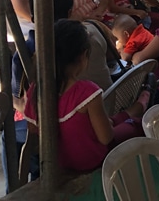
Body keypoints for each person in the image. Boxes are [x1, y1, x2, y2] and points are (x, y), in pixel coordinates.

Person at [24, 19, 150, 173]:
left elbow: (34, 134)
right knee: (135, 125)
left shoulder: (34, 91)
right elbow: (106, 138)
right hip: (93, 162)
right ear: (84, 56)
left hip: (60, 164)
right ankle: (146, 103)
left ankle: (137, 107)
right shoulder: (87, 92)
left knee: (114, 120)